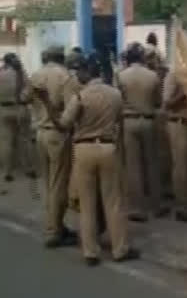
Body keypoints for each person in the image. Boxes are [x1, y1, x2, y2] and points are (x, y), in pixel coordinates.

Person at [35, 54, 137, 266]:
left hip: (83, 149)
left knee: (87, 203)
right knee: (113, 202)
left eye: (79, 71)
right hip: (109, 147)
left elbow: (63, 124)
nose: (77, 75)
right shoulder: (115, 95)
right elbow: (120, 124)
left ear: (87, 72)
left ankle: (90, 251)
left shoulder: (80, 97)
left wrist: (47, 103)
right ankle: (120, 249)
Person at [24, 46, 79, 248]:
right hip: (58, 133)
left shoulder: (36, 75)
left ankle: (54, 224)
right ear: (61, 58)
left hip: (40, 132)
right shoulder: (65, 76)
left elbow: (24, 98)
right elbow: (71, 107)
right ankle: (54, 231)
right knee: (59, 184)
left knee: (48, 183)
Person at [117, 42, 169, 222]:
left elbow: (118, 101)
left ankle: (137, 208)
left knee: (133, 167)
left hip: (128, 122)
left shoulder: (121, 76)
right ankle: (157, 205)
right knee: (152, 164)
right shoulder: (153, 76)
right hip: (148, 121)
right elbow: (158, 102)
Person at [163, 68, 187, 223]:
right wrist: (185, 93)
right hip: (178, 123)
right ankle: (183, 207)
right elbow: (168, 103)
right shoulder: (174, 75)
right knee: (181, 167)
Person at [0, 53, 35, 182]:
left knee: (8, 141)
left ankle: (7, 171)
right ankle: (28, 169)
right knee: (25, 139)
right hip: (20, 108)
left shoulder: (0, 73)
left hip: (5, 109)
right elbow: (30, 90)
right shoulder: (20, 72)